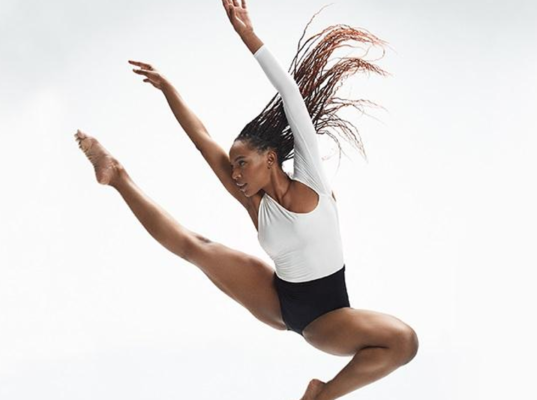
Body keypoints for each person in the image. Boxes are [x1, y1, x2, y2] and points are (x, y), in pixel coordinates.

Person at [74, 1, 418, 399]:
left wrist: (248, 35)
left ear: (270, 158)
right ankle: (116, 175)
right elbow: (202, 139)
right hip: (279, 301)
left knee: (404, 341)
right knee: (196, 247)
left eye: (242, 163)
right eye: (233, 165)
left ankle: (320, 395)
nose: (234, 173)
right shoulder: (254, 202)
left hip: (327, 317)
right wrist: (168, 89)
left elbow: (290, 93)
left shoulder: (313, 180)